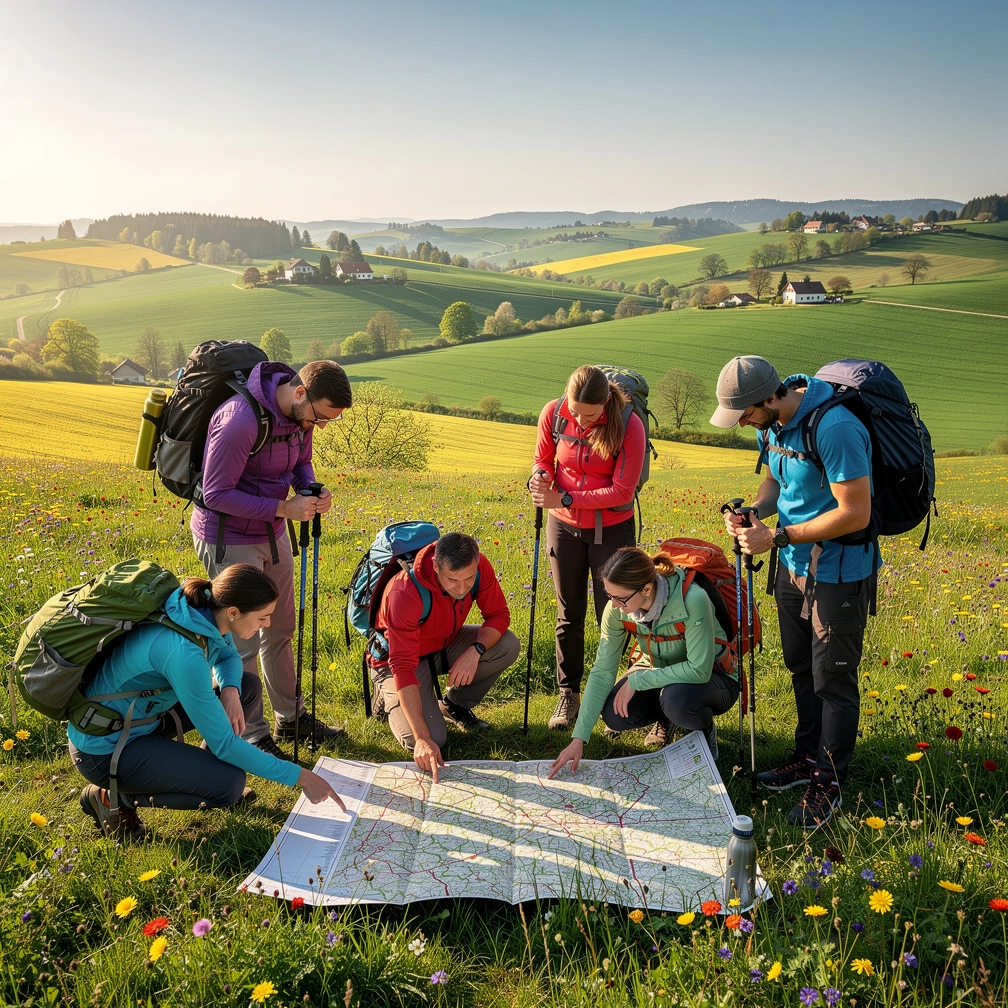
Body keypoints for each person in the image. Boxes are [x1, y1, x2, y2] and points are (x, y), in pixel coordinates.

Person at [711, 355, 876, 827]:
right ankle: (807, 756)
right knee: (800, 665)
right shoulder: (774, 425)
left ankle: (830, 780)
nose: (742, 424)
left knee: (833, 679)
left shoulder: (835, 427)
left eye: (745, 414)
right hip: (792, 567)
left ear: (769, 397)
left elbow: (856, 512)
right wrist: (755, 512)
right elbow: (773, 481)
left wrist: (778, 537)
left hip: (839, 570)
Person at [70, 564, 346, 841]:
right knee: (229, 786)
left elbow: (227, 658)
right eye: (263, 617)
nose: (268, 624)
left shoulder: (203, 614)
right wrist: (303, 778)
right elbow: (225, 744)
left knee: (246, 687)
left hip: (143, 717)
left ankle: (203, 775)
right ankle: (113, 798)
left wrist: (230, 690)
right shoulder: (183, 654)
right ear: (234, 612)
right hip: (106, 749)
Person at [193, 358, 352, 759]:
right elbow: (215, 494)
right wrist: (285, 509)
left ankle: (290, 716)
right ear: (300, 393)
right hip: (230, 537)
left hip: (273, 532)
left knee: (280, 625)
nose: (320, 427)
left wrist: (311, 487)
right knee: (243, 637)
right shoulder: (239, 421)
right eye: (320, 418)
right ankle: (251, 734)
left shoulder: (302, 418)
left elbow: (300, 462)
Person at [547, 546, 739, 778]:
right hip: (661, 674)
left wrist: (639, 679)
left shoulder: (694, 599)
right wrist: (579, 738)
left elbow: (699, 670)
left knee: (677, 699)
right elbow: (602, 671)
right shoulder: (617, 607)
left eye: (620, 598)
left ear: (647, 589)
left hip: (714, 679)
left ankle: (703, 732)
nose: (614, 605)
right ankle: (667, 718)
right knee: (614, 715)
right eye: (609, 595)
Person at [530, 365, 646, 731]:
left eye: (590, 415)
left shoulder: (629, 425)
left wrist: (564, 495)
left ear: (606, 401)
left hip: (611, 530)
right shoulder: (553, 412)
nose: (580, 420)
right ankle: (569, 694)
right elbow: (542, 459)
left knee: (613, 614)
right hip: (563, 526)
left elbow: (622, 491)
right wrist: (539, 476)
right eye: (575, 411)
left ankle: (614, 696)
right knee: (569, 613)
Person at [368, 532, 520, 781]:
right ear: (436, 566)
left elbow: (499, 615)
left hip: (442, 645)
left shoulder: (480, 565)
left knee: (508, 644)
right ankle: (386, 694)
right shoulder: (404, 591)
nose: (461, 589)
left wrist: (475, 650)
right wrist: (422, 739)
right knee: (434, 738)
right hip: (398, 660)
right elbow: (403, 666)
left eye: (469, 579)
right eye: (452, 580)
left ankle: (454, 706)